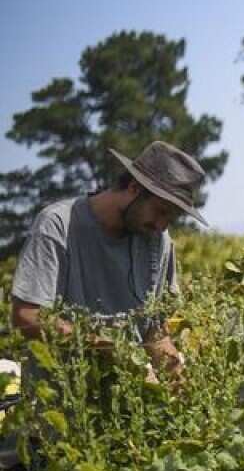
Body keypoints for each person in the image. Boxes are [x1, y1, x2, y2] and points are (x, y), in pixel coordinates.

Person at [10, 140, 204, 378]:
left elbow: (154, 331)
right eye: (160, 211)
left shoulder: (158, 239)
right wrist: (105, 347)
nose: (162, 225)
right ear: (134, 188)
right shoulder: (58, 225)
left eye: (171, 218)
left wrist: (177, 375)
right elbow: (27, 316)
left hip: (127, 408)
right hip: (63, 402)